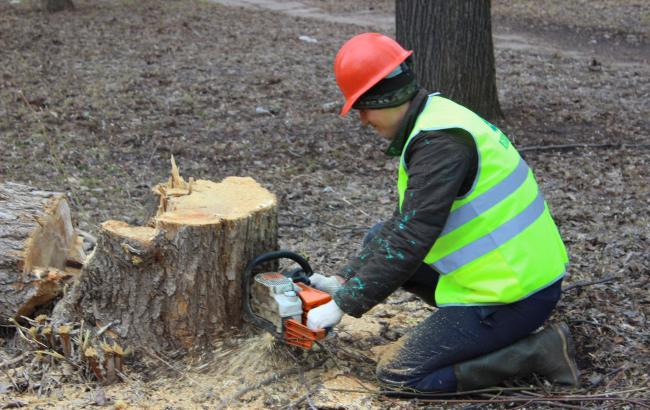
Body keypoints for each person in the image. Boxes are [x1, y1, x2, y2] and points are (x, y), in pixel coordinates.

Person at [305, 32, 580, 393]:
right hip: (502, 276)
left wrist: (345, 303)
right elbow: (403, 226)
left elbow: (413, 235)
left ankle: (536, 351)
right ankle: (471, 333)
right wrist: (344, 281)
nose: (362, 120)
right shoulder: (435, 120)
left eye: (362, 107)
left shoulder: (441, 144)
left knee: (399, 376)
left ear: (383, 97)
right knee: (379, 237)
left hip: (512, 294)